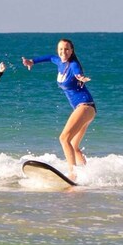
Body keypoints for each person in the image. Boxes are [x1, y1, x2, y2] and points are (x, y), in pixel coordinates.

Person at [22, 38, 96, 180]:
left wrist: (80, 77)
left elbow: (77, 71)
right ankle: (87, 176)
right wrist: (32, 61)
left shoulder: (73, 64)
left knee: (64, 138)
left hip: (85, 106)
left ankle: (72, 174)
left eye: (67, 49)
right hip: (87, 109)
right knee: (73, 146)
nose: (63, 51)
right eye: (61, 49)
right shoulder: (58, 61)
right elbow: (50, 58)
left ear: (72, 51)